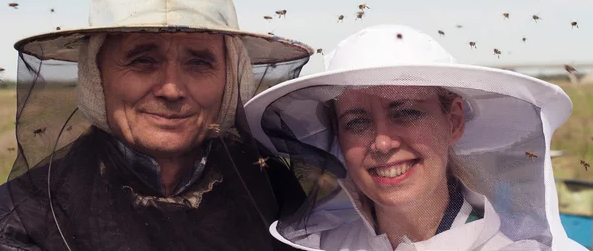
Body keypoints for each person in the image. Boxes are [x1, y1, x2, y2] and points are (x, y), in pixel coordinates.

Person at [0, 0, 313, 251]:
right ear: (96, 76)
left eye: (199, 62)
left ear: (231, 79)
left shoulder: (276, 190)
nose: (171, 90)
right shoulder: (19, 223)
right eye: (142, 60)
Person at [244, 24, 587, 250]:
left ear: (452, 121)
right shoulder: (322, 246)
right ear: (339, 137)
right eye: (357, 122)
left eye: (406, 112)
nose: (381, 143)